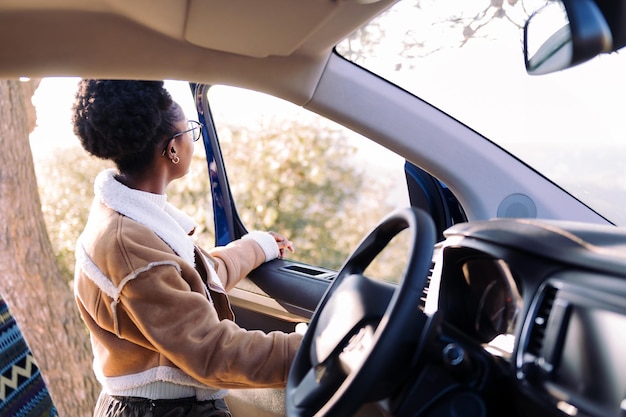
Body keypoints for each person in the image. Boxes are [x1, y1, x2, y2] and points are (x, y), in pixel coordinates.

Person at [71, 79, 303, 417]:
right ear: (172, 149)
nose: (193, 140)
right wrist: (313, 348)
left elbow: (197, 278)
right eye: (189, 131)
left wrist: (258, 246)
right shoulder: (128, 247)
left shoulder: (137, 219)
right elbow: (211, 353)